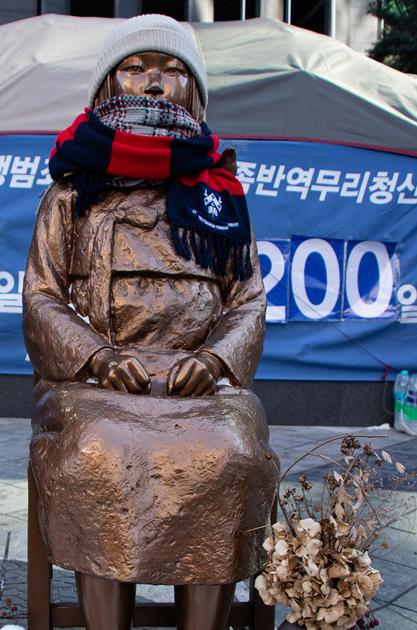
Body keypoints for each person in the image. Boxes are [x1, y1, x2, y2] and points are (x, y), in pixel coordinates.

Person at [22, 14, 280, 630]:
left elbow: (247, 299)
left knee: (229, 453)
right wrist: (98, 358)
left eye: (172, 71)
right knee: (100, 452)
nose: (154, 84)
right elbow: (41, 295)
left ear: (192, 90)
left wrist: (215, 361)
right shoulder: (72, 193)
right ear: (109, 85)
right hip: (97, 385)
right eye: (136, 68)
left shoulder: (219, 192)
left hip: (202, 388)